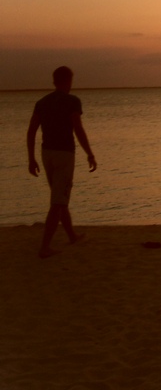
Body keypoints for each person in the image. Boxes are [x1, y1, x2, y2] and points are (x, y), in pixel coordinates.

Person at [27, 66, 97, 258]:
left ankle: (72, 235)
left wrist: (31, 158)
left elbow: (31, 131)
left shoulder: (42, 102)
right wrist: (89, 153)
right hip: (64, 155)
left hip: (46, 153)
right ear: (68, 81)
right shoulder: (72, 101)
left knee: (60, 197)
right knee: (58, 201)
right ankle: (45, 247)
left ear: (54, 81)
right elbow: (78, 128)